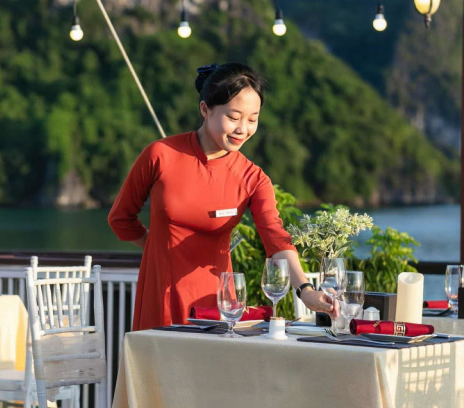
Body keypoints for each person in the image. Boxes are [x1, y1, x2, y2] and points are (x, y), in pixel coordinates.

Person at [108, 62, 334, 330]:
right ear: (205, 109)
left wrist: (306, 291)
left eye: (253, 119)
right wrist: (157, 248)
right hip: (161, 295)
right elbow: (121, 218)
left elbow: (275, 238)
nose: (243, 129)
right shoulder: (160, 154)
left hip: (219, 304)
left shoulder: (253, 178)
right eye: (233, 116)